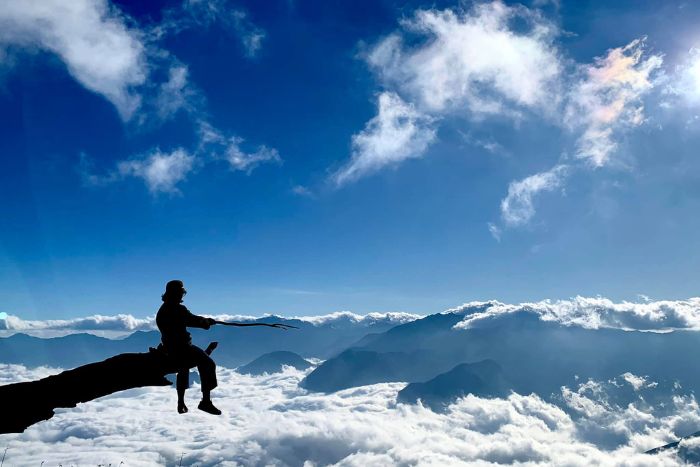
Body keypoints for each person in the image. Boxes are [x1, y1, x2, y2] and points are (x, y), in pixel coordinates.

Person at [156, 280, 221, 415]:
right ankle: (206, 402)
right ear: (175, 294)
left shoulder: (163, 309)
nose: (182, 296)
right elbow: (192, 319)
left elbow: (189, 319)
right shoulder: (176, 309)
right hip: (182, 347)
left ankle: (181, 402)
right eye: (180, 293)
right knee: (208, 364)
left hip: (169, 348)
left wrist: (205, 320)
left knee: (183, 368)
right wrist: (206, 322)